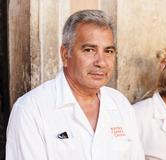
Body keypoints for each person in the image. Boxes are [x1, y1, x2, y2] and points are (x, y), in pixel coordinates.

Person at [6, 10, 144, 160]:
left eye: (108, 51)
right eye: (89, 50)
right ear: (66, 55)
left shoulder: (120, 104)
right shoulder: (32, 109)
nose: (101, 62)